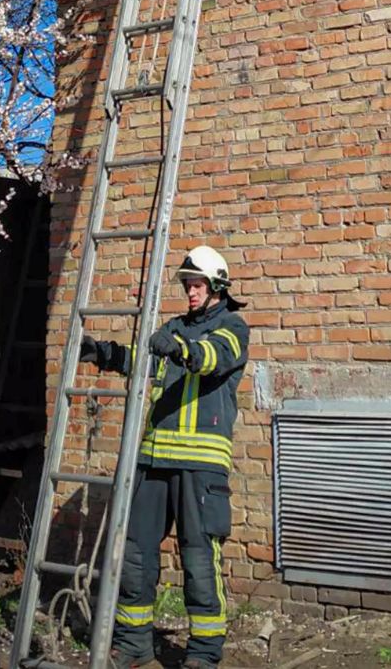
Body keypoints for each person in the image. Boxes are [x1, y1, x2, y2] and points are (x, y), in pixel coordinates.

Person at [79, 245, 250, 669]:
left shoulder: (232, 327)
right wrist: (102, 353)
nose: (190, 291)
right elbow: (145, 364)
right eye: (187, 285)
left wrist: (177, 348)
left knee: (198, 558)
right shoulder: (174, 327)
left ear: (217, 286)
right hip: (154, 461)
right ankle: (134, 643)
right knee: (135, 554)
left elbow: (211, 359)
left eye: (197, 285)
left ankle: (203, 653)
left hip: (200, 467)